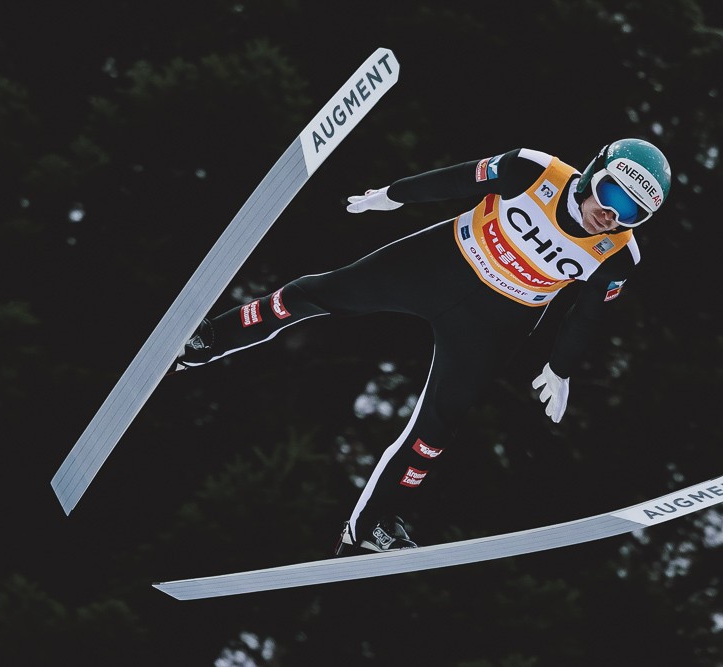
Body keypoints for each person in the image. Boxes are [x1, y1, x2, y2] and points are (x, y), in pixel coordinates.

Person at [172, 138, 672, 555]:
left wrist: (560, 368)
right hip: (436, 265)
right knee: (317, 293)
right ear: (593, 173)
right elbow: (458, 180)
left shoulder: (619, 255)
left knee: (435, 431)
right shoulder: (533, 170)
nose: (612, 215)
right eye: (612, 194)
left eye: (634, 212)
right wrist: (394, 195)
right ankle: (208, 339)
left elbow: (588, 315)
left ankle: (370, 526)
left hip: (493, 324)